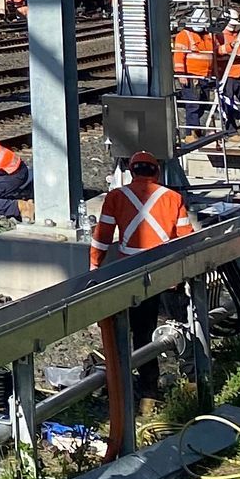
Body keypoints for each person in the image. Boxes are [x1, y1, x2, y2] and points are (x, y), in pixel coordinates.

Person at [90, 149, 196, 415]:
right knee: (182, 325)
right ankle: (193, 381)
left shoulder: (116, 197)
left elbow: (102, 237)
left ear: (132, 171)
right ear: (156, 171)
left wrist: (94, 267)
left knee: (143, 333)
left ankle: (149, 394)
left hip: (135, 273)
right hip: (168, 272)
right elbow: (186, 238)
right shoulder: (173, 198)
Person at [171, 7, 218, 132]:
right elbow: (178, 56)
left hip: (205, 76)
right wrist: (181, 74)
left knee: (203, 104)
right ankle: (191, 133)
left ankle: (198, 131)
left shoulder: (207, 36)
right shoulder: (184, 35)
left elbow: (214, 52)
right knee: (193, 104)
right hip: (191, 76)